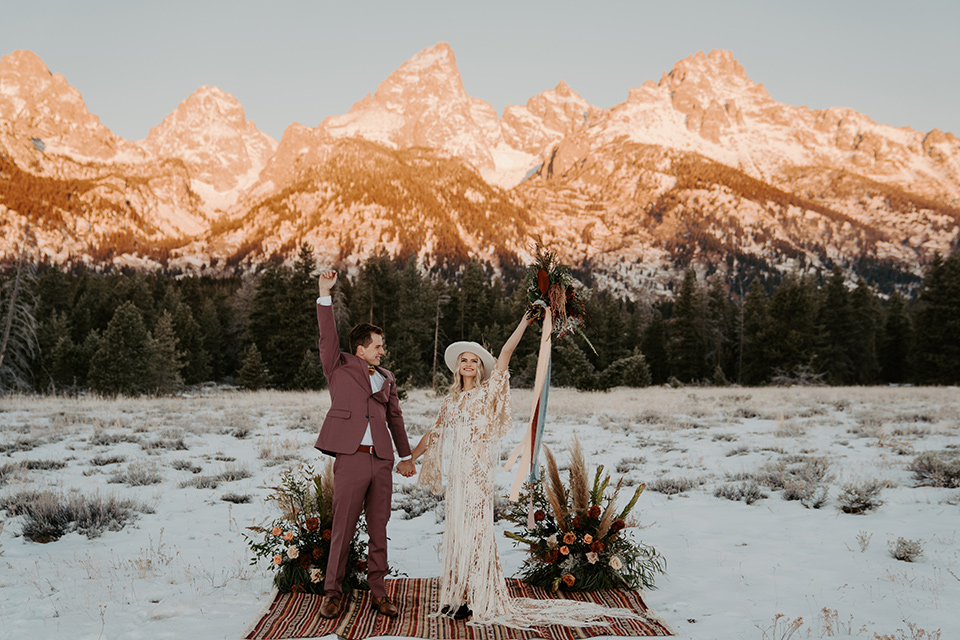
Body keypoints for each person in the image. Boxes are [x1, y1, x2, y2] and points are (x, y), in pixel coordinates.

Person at [408, 309, 640, 628]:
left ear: (480, 368)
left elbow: (505, 353)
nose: (469, 364)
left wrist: (525, 321)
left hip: (477, 477)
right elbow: (433, 435)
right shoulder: (451, 402)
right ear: (457, 367)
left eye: (474, 361)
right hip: (457, 478)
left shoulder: (487, 394)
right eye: (465, 360)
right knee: (457, 535)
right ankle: (459, 598)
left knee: (476, 535)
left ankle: (480, 596)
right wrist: (409, 457)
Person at [313, 270, 416, 620]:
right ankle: (332, 592)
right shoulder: (338, 366)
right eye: (378, 346)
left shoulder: (387, 378)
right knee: (342, 528)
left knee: (379, 528)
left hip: (382, 461)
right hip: (351, 459)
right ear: (361, 349)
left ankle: (379, 592)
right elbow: (328, 336)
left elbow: (396, 418)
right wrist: (324, 294)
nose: (383, 352)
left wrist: (406, 456)